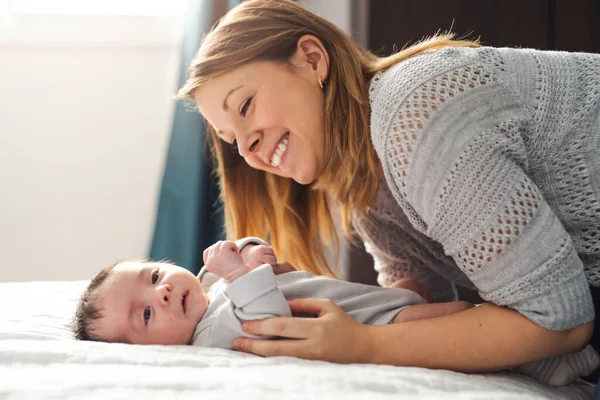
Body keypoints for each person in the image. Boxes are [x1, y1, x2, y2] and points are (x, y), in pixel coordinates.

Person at [175, 0, 600, 379]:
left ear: (311, 59)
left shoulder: (417, 113)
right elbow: (421, 294)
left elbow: (559, 320)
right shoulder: (363, 179)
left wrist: (363, 345)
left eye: (246, 106)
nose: (247, 149)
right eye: (231, 140)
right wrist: (314, 298)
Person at [72, 237, 598, 386]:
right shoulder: (214, 337)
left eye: (155, 277)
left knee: (458, 308)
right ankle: (556, 362)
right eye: (145, 317)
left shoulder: (209, 287)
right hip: (375, 326)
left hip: (369, 302)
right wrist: (243, 275)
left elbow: (263, 266)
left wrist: (252, 253)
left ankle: (551, 340)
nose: (162, 294)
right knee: (465, 321)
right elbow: (264, 314)